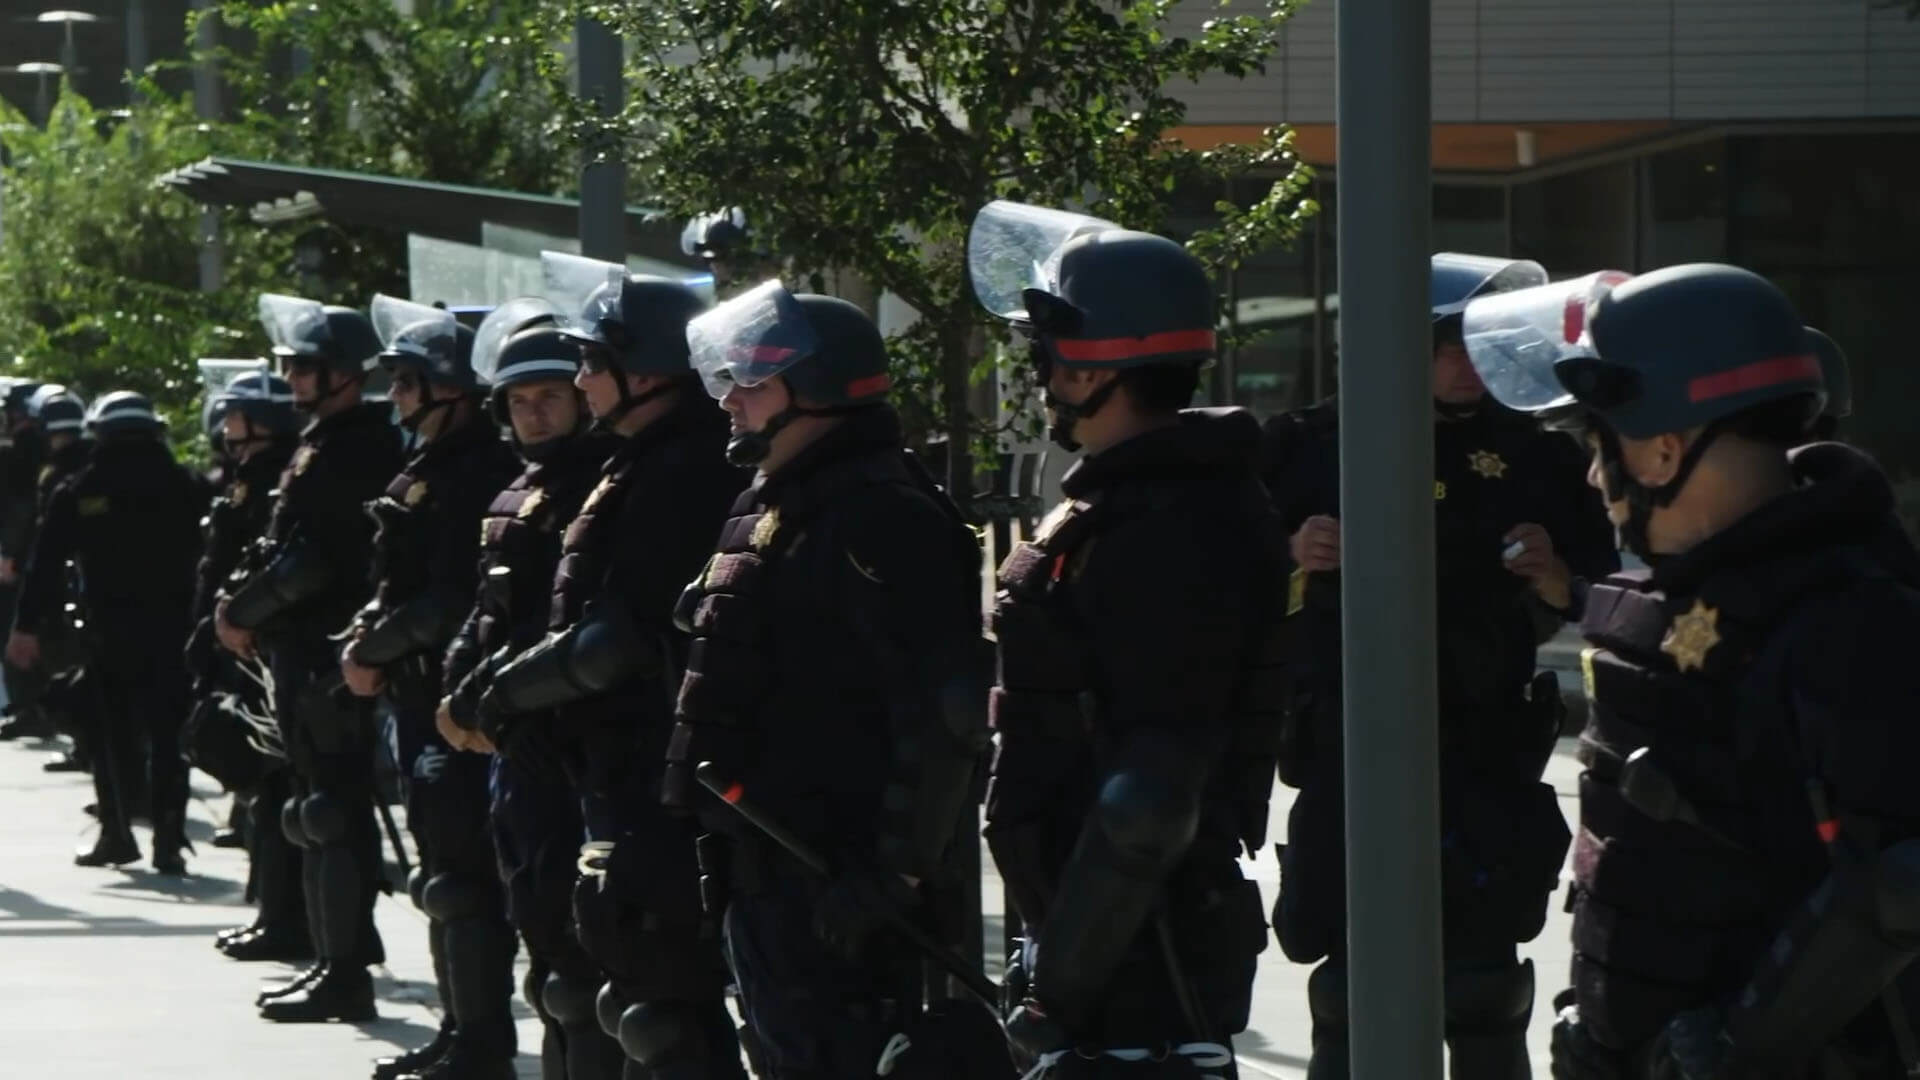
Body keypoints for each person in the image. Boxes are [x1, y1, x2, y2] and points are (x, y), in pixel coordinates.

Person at [1458, 264, 1920, 1078]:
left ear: (1665, 450)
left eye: (1600, 444)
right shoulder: (1669, 606)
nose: (1594, 476)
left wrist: (1740, 1043)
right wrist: (1600, 1020)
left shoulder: (1851, 621)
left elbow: (1895, 884)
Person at [1265, 253, 1619, 1079]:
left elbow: (1605, 593)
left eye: (1481, 345)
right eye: (1447, 346)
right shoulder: (1311, 445)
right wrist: (1292, 553)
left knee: (1484, 990)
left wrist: (1555, 575)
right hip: (1351, 747)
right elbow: (1225, 588)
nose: (1467, 365)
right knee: (1350, 995)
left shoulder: (1540, 456)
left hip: (1483, 750)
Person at [962, 202, 1280, 1077]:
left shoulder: (1170, 523)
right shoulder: (1133, 501)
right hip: (1096, 918)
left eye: (1048, 358)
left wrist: (1061, 985)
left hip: (1142, 939)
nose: (1041, 377)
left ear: (1091, 366)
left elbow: (1150, 801)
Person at [660, 277, 985, 1079]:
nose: (730, 399)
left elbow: (944, 711)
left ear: (818, 389)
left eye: (754, 381)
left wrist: (895, 871)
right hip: (764, 862)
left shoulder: (882, 512)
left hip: (839, 876)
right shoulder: (777, 500)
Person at [470, 256, 748, 1080]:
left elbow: (620, 635)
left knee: (662, 1003)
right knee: (620, 987)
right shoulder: (639, 459)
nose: (581, 378)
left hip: (658, 768)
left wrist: (504, 693)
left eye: (592, 361)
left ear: (646, 371)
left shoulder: (681, 468)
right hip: (613, 767)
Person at [436, 297, 624, 1080]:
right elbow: (487, 609)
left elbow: (567, 628)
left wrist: (486, 700)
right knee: (544, 957)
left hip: (564, 748)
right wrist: (456, 690)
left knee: (583, 974)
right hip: (510, 747)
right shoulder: (523, 486)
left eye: (550, 396)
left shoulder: (599, 485)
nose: (535, 413)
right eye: (519, 400)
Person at [342, 295, 523, 1078]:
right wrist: (369, 632)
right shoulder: (429, 465)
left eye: (407, 382)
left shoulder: (474, 470)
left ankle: (482, 1043)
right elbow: (398, 578)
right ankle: (460, 1027)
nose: (395, 396)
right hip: (416, 694)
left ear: (449, 388)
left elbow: (449, 598)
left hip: (451, 696)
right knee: (441, 874)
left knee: (461, 880)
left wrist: (373, 649)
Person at [218, 294, 403, 1023]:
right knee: (312, 809)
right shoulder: (322, 441)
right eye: (291, 367)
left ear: (344, 373)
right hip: (300, 649)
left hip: (328, 650)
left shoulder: (357, 447)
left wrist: (244, 610)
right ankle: (334, 959)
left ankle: (346, 971)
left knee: (331, 811)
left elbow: (319, 560)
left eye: (305, 367)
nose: (293, 379)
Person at [7, 392, 204, 872]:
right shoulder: (187, 485)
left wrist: (25, 628)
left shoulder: (80, 489)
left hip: (108, 633)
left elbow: (44, 565)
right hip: (175, 631)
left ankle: (117, 833)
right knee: (169, 736)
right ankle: (169, 840)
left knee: (109, 734)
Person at [190, 369, 309, 961]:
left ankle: (285, 919)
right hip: (238, 650)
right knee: (262, 792)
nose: (227, 426)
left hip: (261, 656)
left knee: (277, 788)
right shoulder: (251, 477)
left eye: (237, 416)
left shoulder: (276, 480)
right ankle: (271, 907)